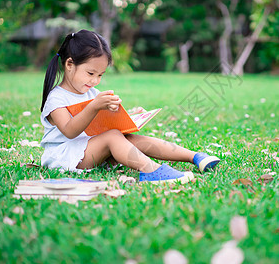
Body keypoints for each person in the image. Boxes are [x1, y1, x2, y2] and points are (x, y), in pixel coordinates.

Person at [40, 29, 220, 184]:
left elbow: (103, 124)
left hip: (89, 149)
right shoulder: (57, 98)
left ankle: (195, 157)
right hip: (65, 156)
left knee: (128, 137)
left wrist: (128, 117)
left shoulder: (91, 93)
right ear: (70, 64)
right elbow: (69, 131)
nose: (95, 81)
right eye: (90, 73)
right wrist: (94, 106)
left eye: (100, 75)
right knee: (112, 136)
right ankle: (152, 171)